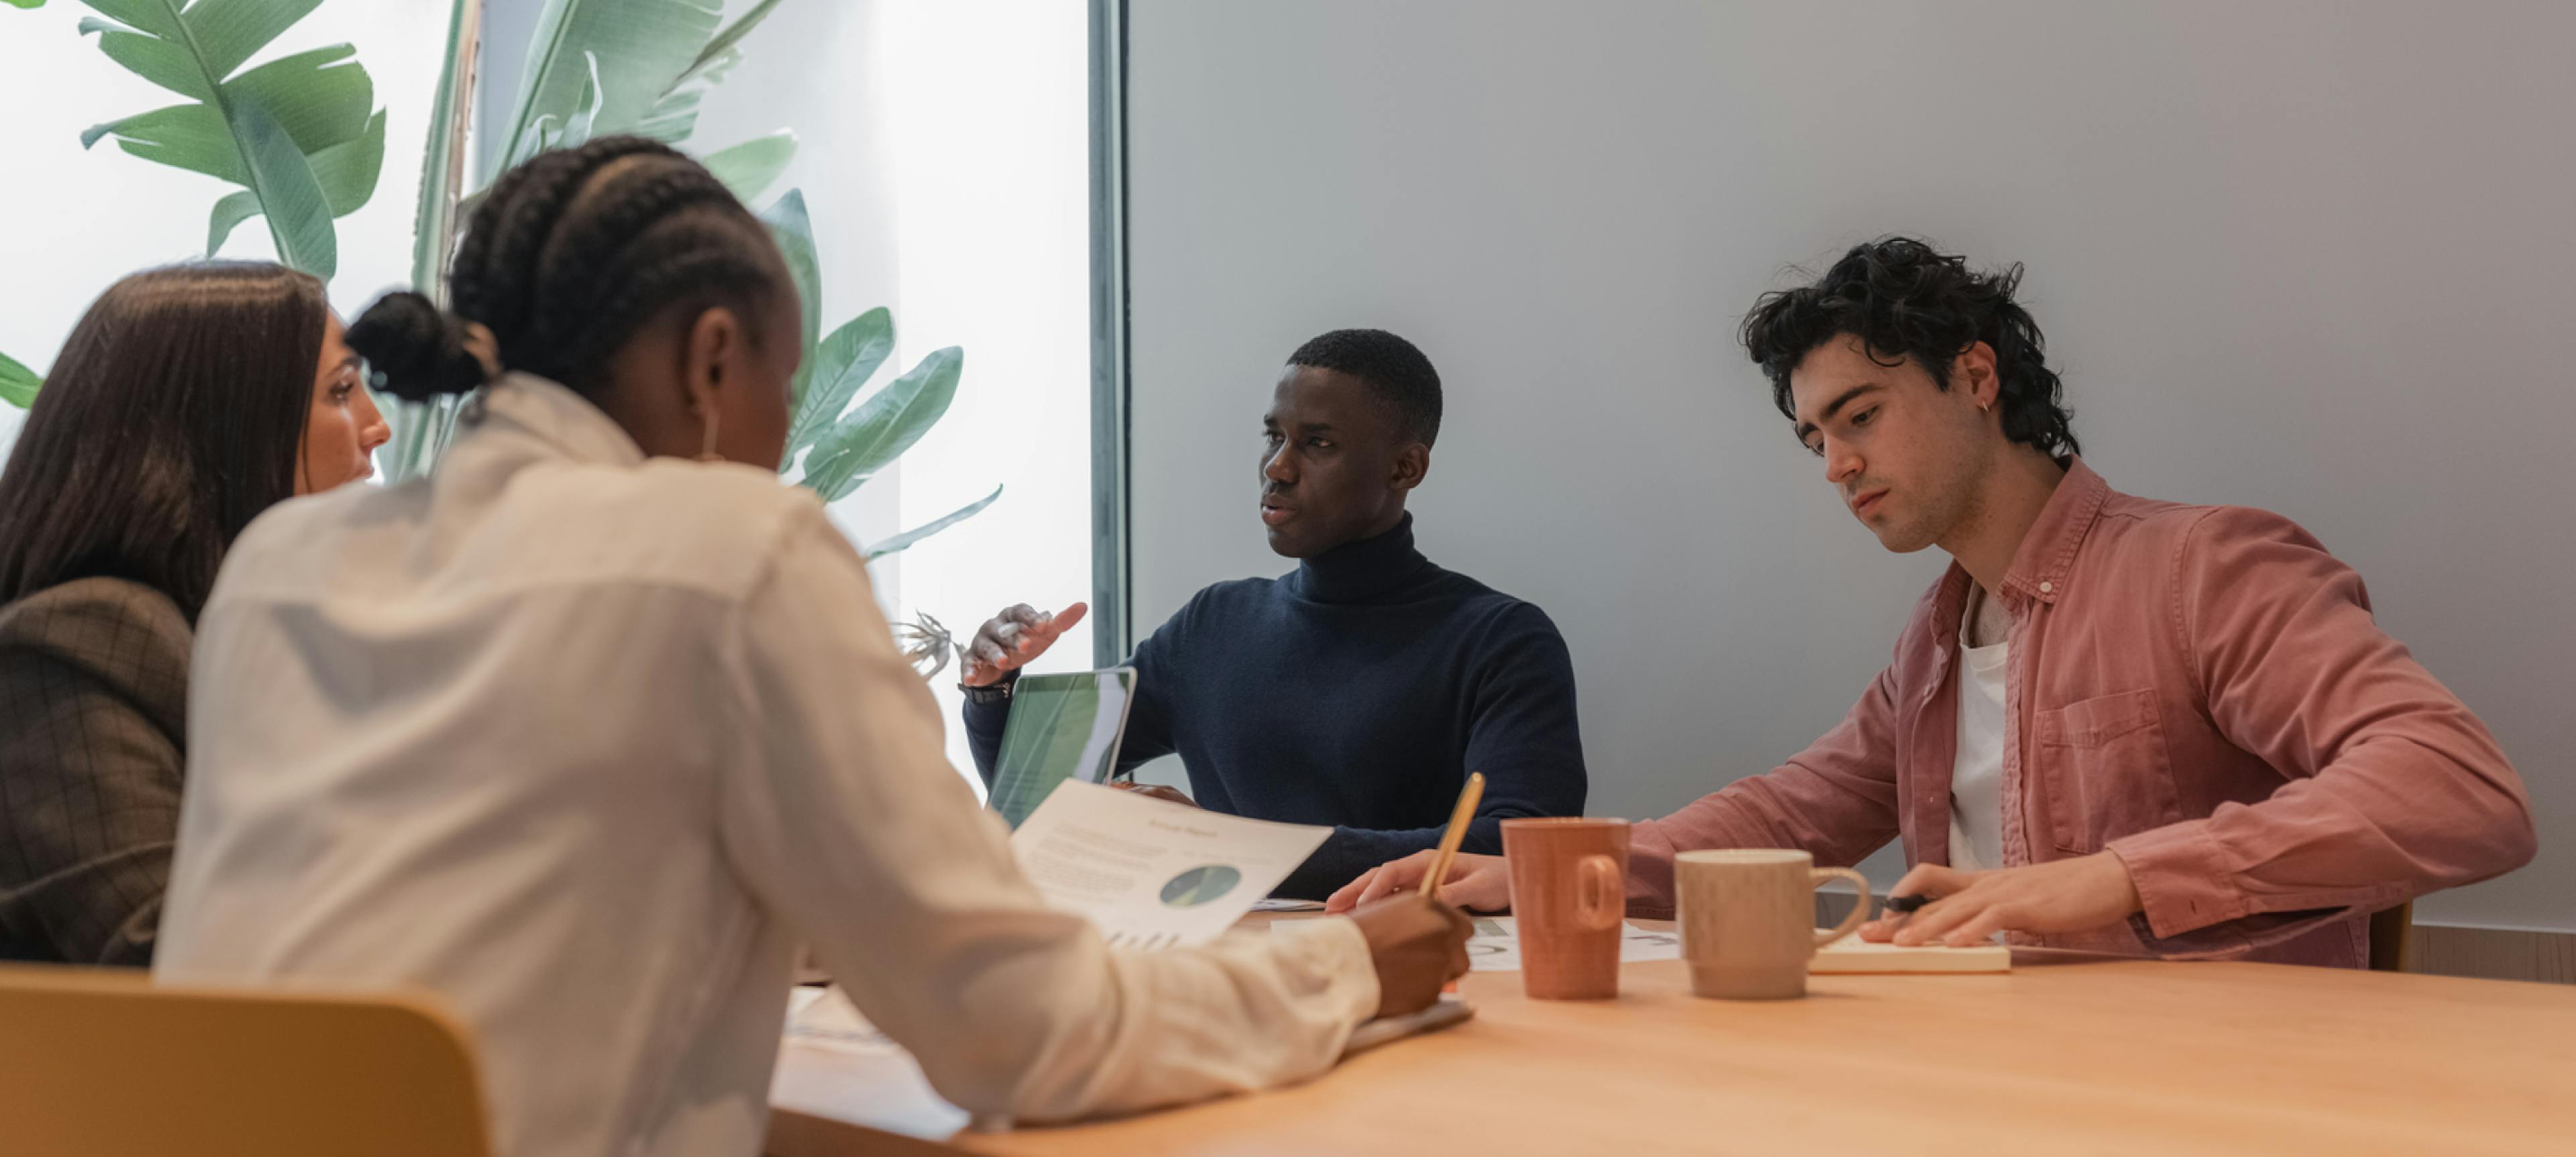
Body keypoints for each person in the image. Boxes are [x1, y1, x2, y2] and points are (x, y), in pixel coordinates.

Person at [152, 137, 1469, 1157]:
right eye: (790, 379)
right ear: (713, 361)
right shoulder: (731, 549)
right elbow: (1023, 1034)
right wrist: (1342, 972)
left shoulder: (282, 566)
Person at [1333, 237, 2534, 967]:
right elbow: (1792, 810)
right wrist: (1550, 868)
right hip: (1980, 1061)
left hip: (2201, 1082)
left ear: (1975, 377)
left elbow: (2461, 790)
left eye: (1859, 416)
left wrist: (2117, 876)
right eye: (1815, 440)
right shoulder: (1939, 636)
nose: (1837, 466)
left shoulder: (2205, 566)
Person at [959, 329, 1588, 898]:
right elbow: (1038, 803)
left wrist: (1227, 847)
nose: (1277, 466)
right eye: (1273, 436)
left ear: (1407, 467)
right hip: (1220, 967)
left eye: (1317, 443)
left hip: (1419, 970)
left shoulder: (1501, 640)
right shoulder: (1214, 624)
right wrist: (993, 695)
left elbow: (1516, 847)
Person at [0, 262, 387, 967]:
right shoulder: (85, 634)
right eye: (341, 391)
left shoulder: (246, 629)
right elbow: (164, 956)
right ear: (227, 425)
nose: (376, 426)